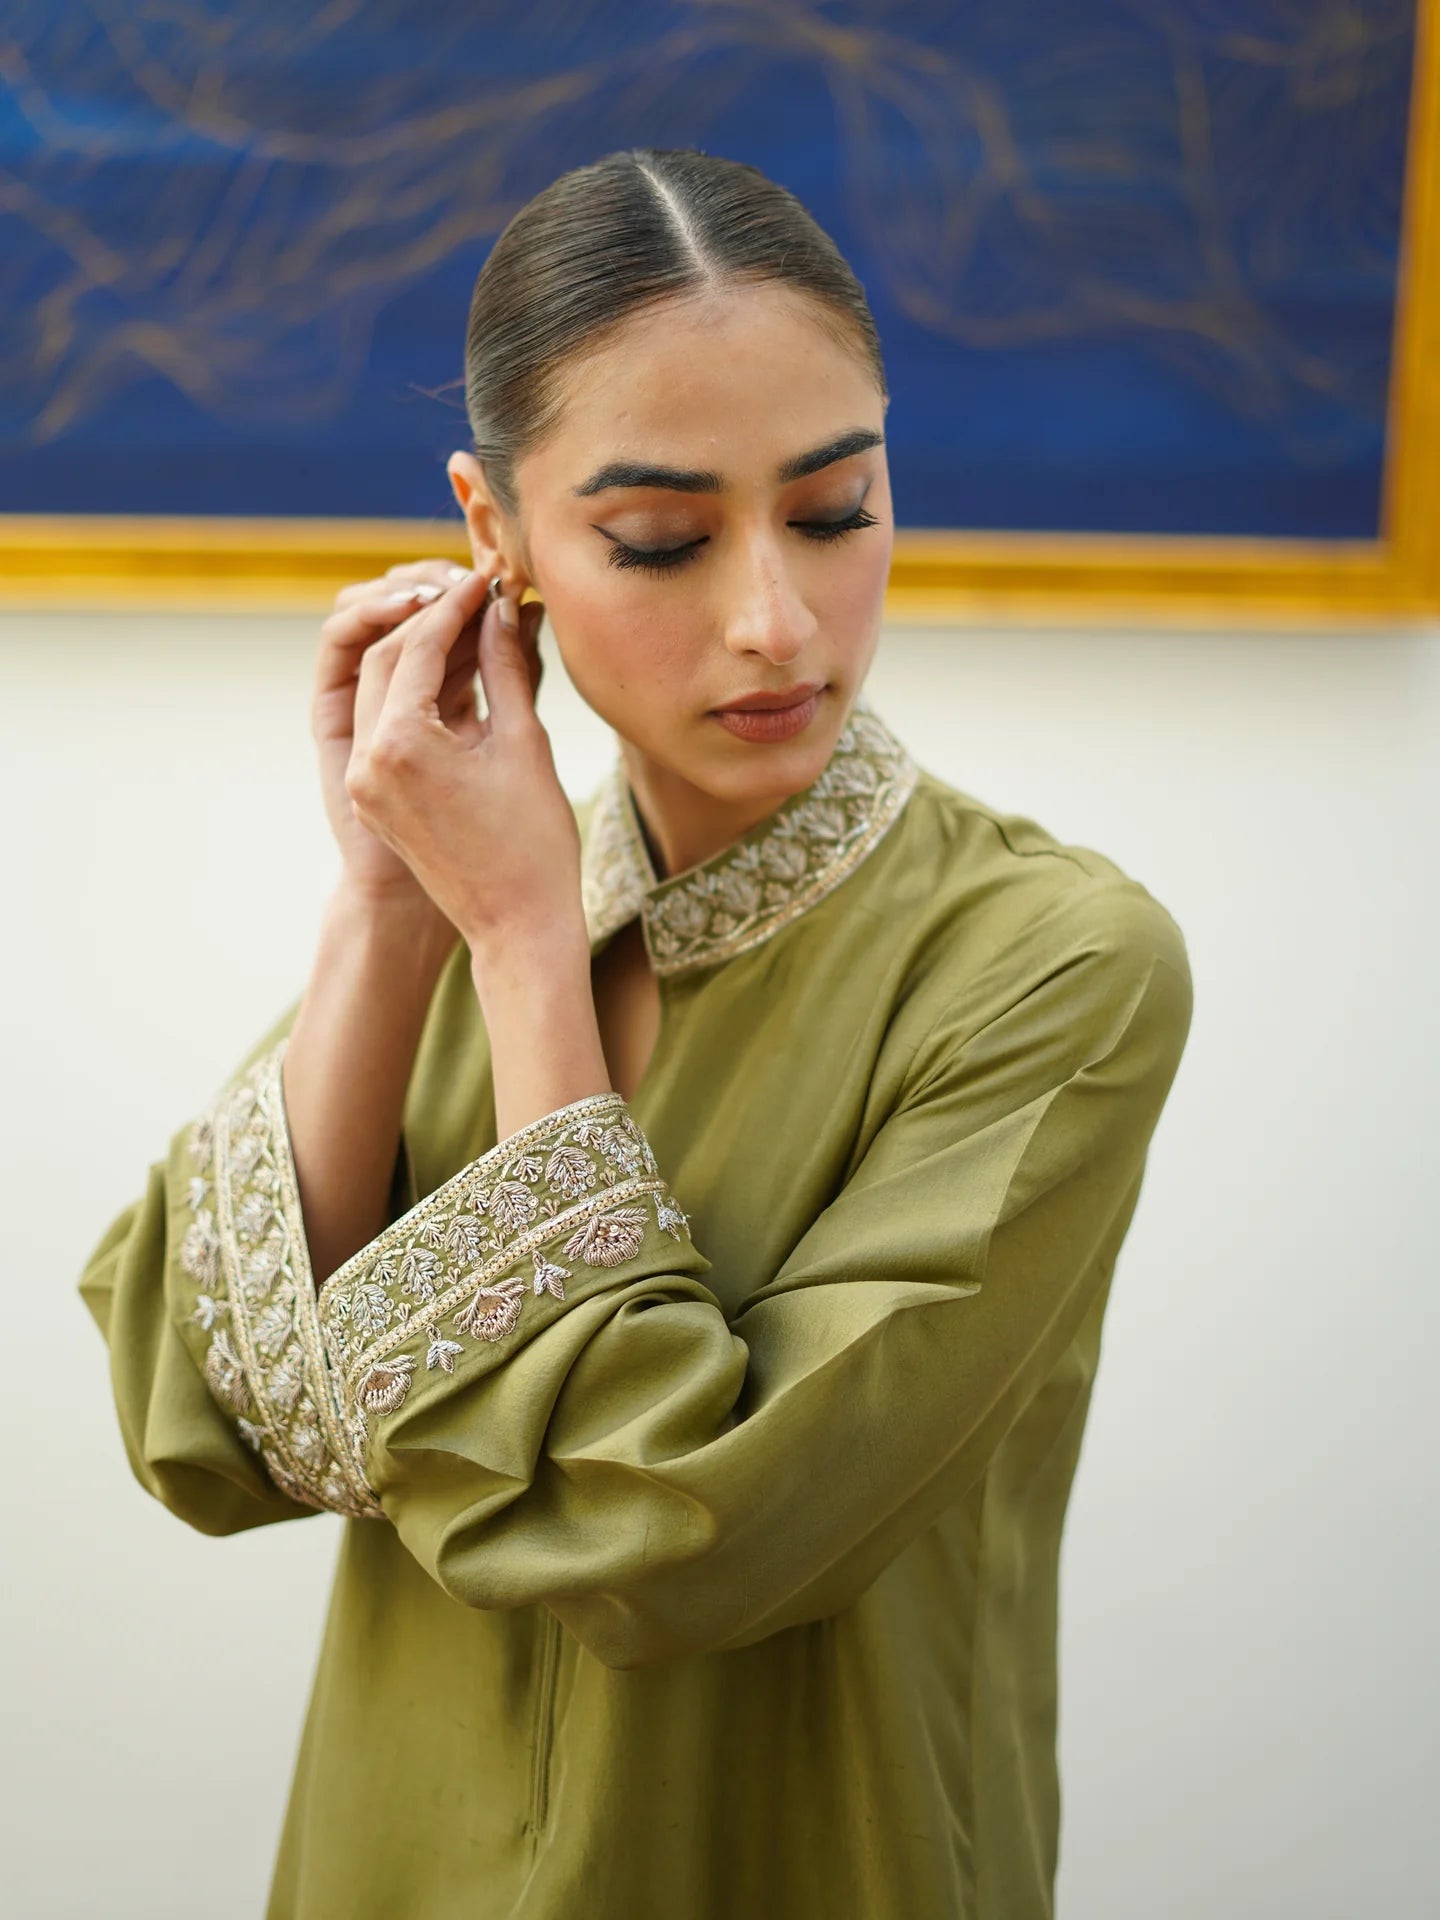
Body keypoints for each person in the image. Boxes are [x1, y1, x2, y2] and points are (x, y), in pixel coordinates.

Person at [78, 146, 1193, 1919]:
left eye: (835, 510)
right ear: (497, 539)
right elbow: (210, 1427)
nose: (775, 622)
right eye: (662, 540)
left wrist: (528, 949)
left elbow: (670, 1537)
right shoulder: (471, 899)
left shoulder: (1053, 969)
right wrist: (387, 901)